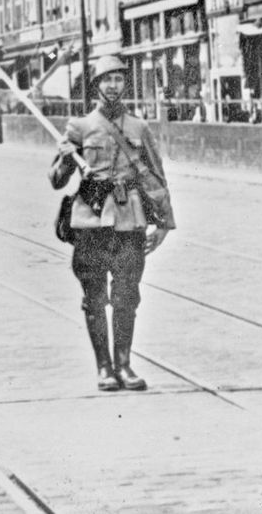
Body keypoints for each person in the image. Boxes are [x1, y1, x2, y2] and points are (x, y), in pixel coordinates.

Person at [48, 55, 175, 392]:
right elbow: (57, 181)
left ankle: (125, 365)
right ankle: (104, 367)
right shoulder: (79, 127)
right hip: (90, 221)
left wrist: (164, 221)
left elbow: (156, 175)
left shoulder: (139, 127)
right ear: (96, 85)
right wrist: (64, 157)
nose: (113, 86)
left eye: (118, 80)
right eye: (107, 80)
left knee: (126, 296)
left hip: (130, 221)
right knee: (94, 297)